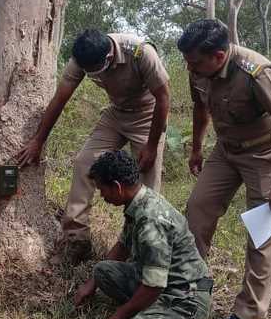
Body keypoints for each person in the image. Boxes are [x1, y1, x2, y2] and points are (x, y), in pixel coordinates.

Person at [73, 150, 236, 319]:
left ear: (116, 187)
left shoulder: (151, 221)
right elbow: (122, 247)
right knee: (104, 270)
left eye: (102, 190)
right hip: (166, 285)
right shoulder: (139, 201)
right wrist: (91, 284)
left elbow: (154, 286)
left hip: (183, 299)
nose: (101, 196)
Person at [178, 19, 271, 319]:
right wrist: (196, 148)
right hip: (225, 151)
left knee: (262, 233)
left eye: (194, 62)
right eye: (187, 61)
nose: (188, 67)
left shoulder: (256, 72)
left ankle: (247, 315)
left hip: (263, 154)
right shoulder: (198, 68)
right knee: (197, 209)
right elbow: (199, 108)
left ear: (219, 56)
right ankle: (189, 288)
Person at [17, 29, 170, 262]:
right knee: (85, 163)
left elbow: (163, 98)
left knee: (147, 185)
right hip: (116, 115)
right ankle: (76, 239)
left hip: (148, 116)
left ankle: (142, 250)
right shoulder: (83, 58)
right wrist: (38, 140)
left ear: (108, 58)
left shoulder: (141, 53)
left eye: (94, 71)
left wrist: (151, 145)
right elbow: (60, 98)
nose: (90, 75)